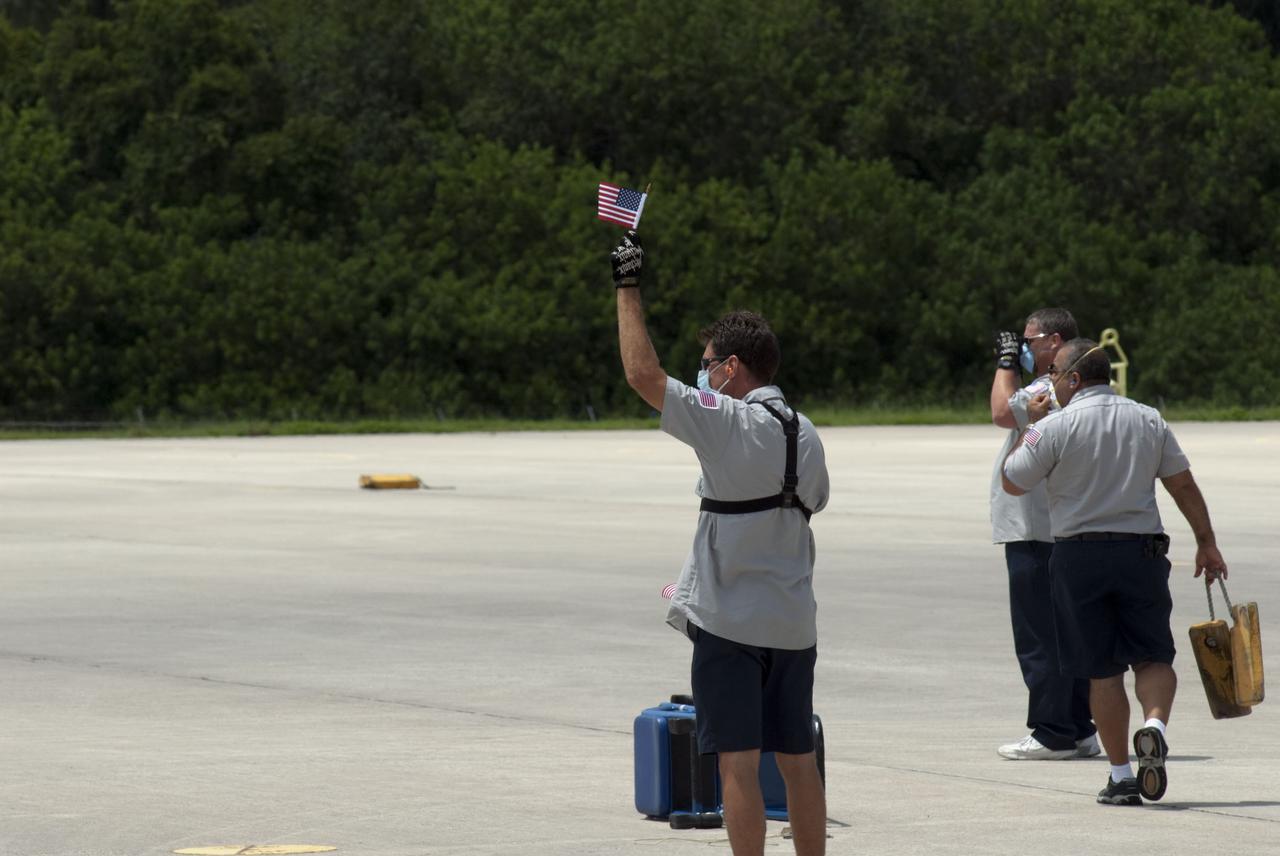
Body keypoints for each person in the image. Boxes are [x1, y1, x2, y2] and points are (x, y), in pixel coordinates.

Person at [611, 231, 830, 855]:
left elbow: (641, 373)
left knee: (737, 762)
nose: (702, 373)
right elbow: (814, 500)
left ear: (731, 370)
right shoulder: (806, 433)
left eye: (707, 363)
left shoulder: (726, 418)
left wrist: (628, 285)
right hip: (793, 624)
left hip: (731, 625)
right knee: (797, 759)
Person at [1002, 338, 1229, 806]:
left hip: (1077, 558)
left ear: (1074, 380)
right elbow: (1181, 483)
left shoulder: (1057, 424)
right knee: (1152, 658)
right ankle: (1154, 726)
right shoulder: (1148, 417)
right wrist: (1206, 542)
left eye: (1057, 377)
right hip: (1139, 554)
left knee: (1101, 673)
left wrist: (1034, 424)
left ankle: (1122, 774)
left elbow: (1013, 478)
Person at [989, 309, 1099, 761]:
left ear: (1055, 341)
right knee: (1068, 633)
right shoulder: (1081, 390)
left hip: (1035, 529)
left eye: (1032, 340)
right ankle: (1078, 727)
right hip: (1066, 527)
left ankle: (1052, 731)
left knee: (1038, 635)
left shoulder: (1045, 390)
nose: (1029, 348)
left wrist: (1005, 361)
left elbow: (1000, 410)